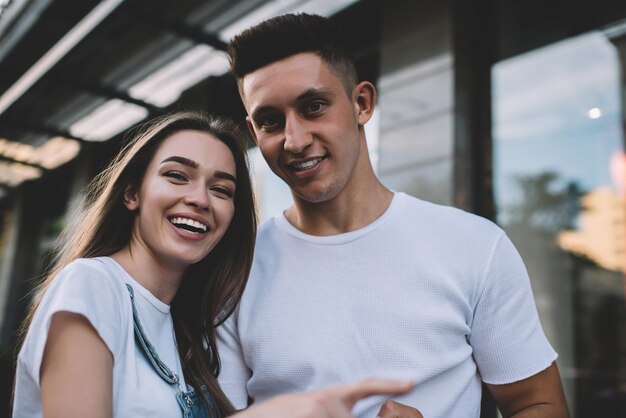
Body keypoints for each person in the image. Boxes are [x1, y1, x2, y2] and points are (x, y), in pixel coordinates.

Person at [216, 13, 570, 418]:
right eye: (270, 121)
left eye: (313, 107)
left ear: (362, 103)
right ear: (253, 130)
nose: (294, 140)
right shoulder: (235, 271)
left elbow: (539, 405)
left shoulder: (474, 246)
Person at [12, 110, 413, 417]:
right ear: (132, 193)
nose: (200, 199)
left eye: (221, 189)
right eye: (177, 176)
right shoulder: (91, 285)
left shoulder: (191, 332)